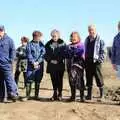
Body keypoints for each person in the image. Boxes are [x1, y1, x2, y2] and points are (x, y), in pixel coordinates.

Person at [85, 25, 105, 100]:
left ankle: (102, 95)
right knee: (88, 78)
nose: (91, 31)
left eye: (92, 30)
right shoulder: (87, 39)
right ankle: (89, 95)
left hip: (96, 62)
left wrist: (100, 60)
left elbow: (103, 51)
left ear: (95, 30)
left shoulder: (100, 39)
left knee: (98, 78)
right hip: (88, 62)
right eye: (89, 30)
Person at [45, 29, 65, 101]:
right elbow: (45, 54)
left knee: (60, 80)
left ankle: (60, 94)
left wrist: (58, 60)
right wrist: (51, 60)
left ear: (58, 36)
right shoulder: (48, 44)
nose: (54, 37)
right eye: (53, 36)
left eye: (55, 36)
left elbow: (64, 53)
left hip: (60, 65)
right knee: (53, 80)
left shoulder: (63, 43)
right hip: (51, 65)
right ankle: (55, 94)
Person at [25, 31, 46, 100]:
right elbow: (28, 54)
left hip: (39, 65)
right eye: (38, 37)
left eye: (40, 37)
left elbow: (43, 54)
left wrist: (38, 62)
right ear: (34, 37)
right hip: (31, 66)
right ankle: (27, 96)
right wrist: (33, 62)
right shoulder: (29, 44)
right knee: (29, 80)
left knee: (38, 80)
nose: (39, 38)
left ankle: (36, 96)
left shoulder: (42, 45)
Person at [0, 25, 18, 102]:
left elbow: (13, 51)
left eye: (1, 31)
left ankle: (14, 94)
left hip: (6, 64)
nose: (0, 32)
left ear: (3, 31)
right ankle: (3, 96)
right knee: (1, 80)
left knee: (9, 79)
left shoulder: (9, 40)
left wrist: (10, 60)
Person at [66, 32, 85, 102]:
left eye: (75, 37)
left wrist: (73, 51)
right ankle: (73, 96)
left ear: (78, 37)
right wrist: (73, 51)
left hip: (79, 66)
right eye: (72, 37)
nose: (73, 38)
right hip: (70, 66)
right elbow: (67, 54)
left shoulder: (81, 45)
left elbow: (79, 52)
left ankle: (82, 97)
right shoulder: (68, 46)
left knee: (80, 81)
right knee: (71, 81)